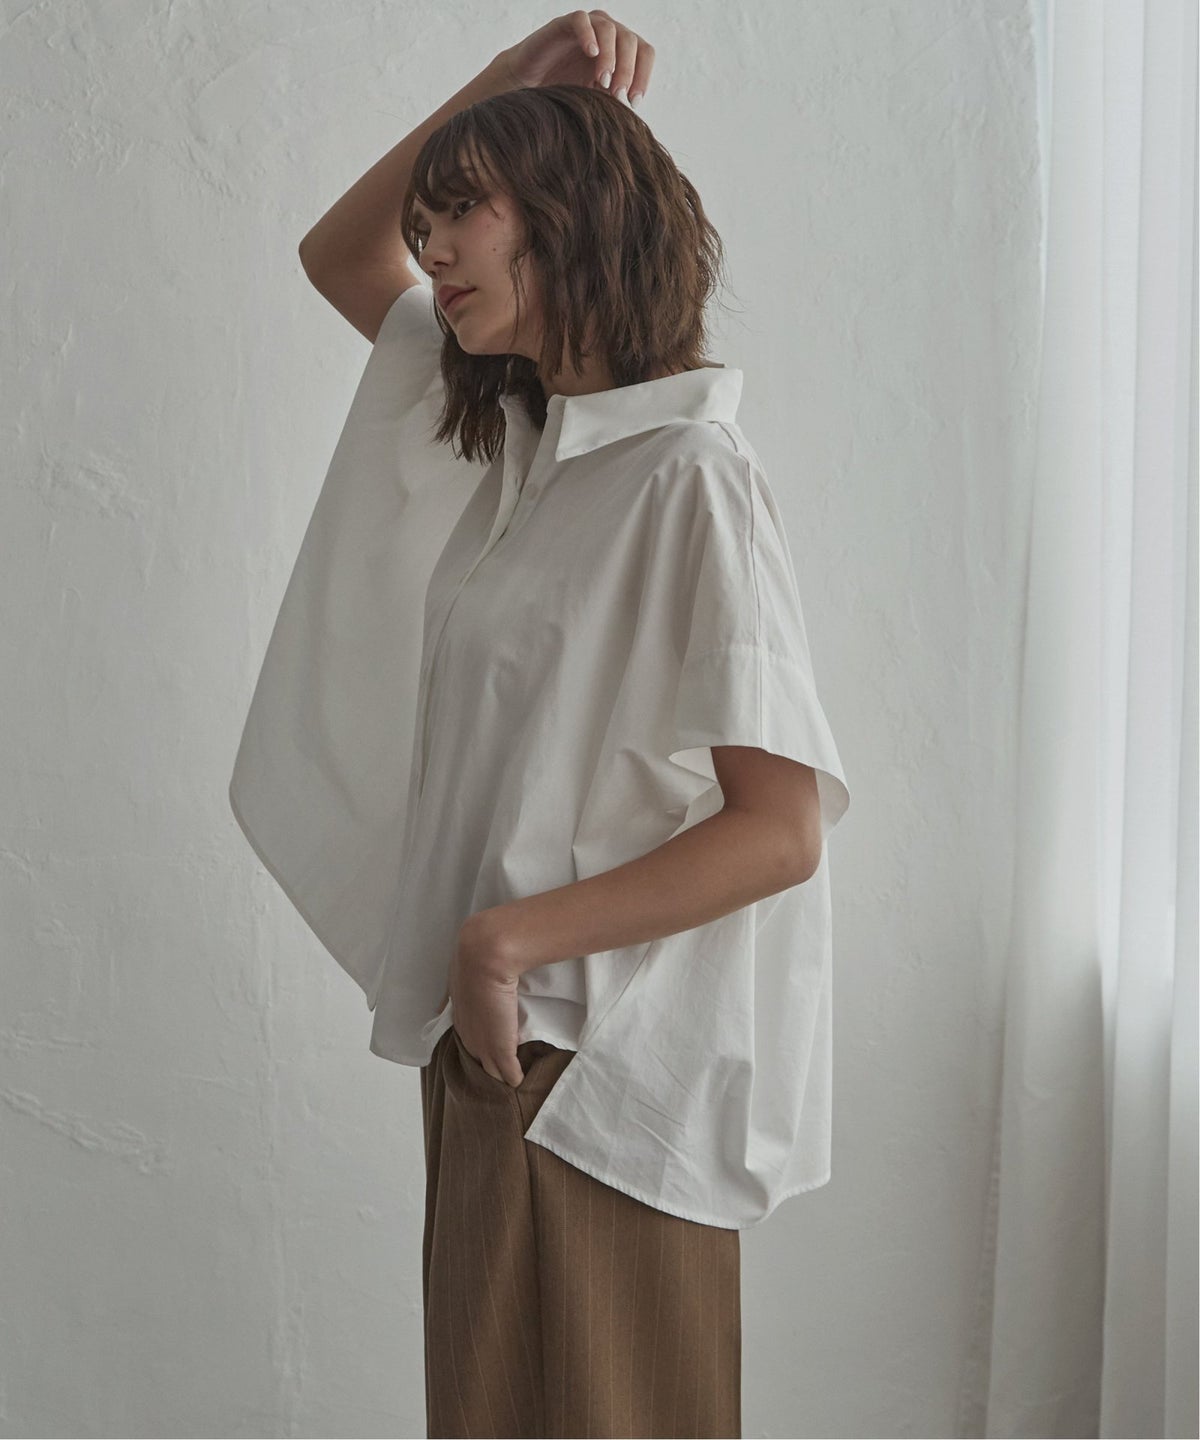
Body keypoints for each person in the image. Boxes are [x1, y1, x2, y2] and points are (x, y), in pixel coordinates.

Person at [229, 10, 851, 1437]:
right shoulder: (526, 446)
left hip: (601, 1067)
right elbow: (338, 255)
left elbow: (779, 829)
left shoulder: (689, 475)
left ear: (573, 219)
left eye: (469, 213)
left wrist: (507, 942)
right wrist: (509, 84)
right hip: (498, 1051)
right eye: (431, 220)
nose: (433, 248)